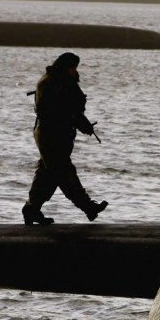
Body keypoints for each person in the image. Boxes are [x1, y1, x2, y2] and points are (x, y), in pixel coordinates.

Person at [22, 52, 108, 225]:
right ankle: (88, 207)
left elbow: (73, 110)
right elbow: (64, 111)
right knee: (64, 173)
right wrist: (81, 123)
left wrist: (81, 123)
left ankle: (31, 209)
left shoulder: (61, 83)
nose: (75, 72)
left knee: (47, 176)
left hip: (58, 137)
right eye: (72, 68)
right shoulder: (49, 84)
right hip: (50, 137)